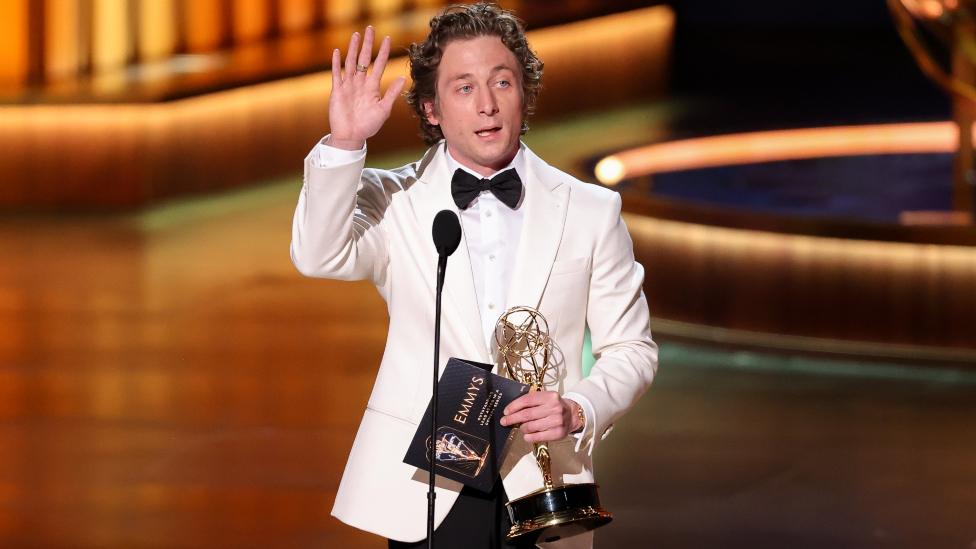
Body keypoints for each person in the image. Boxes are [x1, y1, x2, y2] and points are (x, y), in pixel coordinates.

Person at [290, 3, 657, 548]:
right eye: (464, 88)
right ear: (432, 108)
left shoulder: (589, 210)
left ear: (525, 93)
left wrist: (579, 408)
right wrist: (345, 145)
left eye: (501, 82)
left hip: (543, 486)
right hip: (428, 486)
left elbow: (632, 348)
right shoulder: (395, 201)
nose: (487, 105)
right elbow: (318, 255)